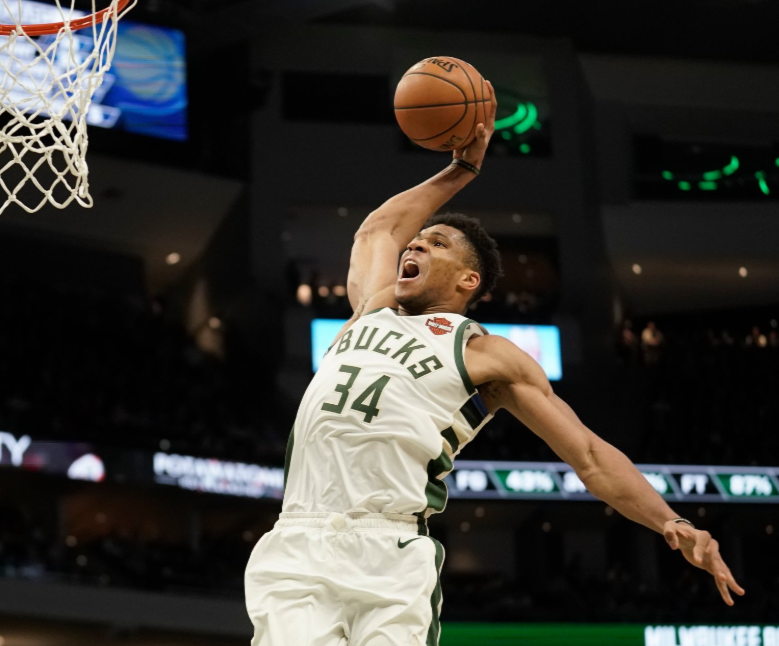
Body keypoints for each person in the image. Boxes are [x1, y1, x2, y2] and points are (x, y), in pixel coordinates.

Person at [244, 80, 743, 646]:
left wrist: (672, 523)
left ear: (468, 280)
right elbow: (379, 227)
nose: (414, 246)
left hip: (390, 549)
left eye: (434, 245)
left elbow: (590, 455)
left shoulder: (485, 353)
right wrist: (461, 170)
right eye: (417, 242)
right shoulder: (371, 306)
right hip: (300, 540)